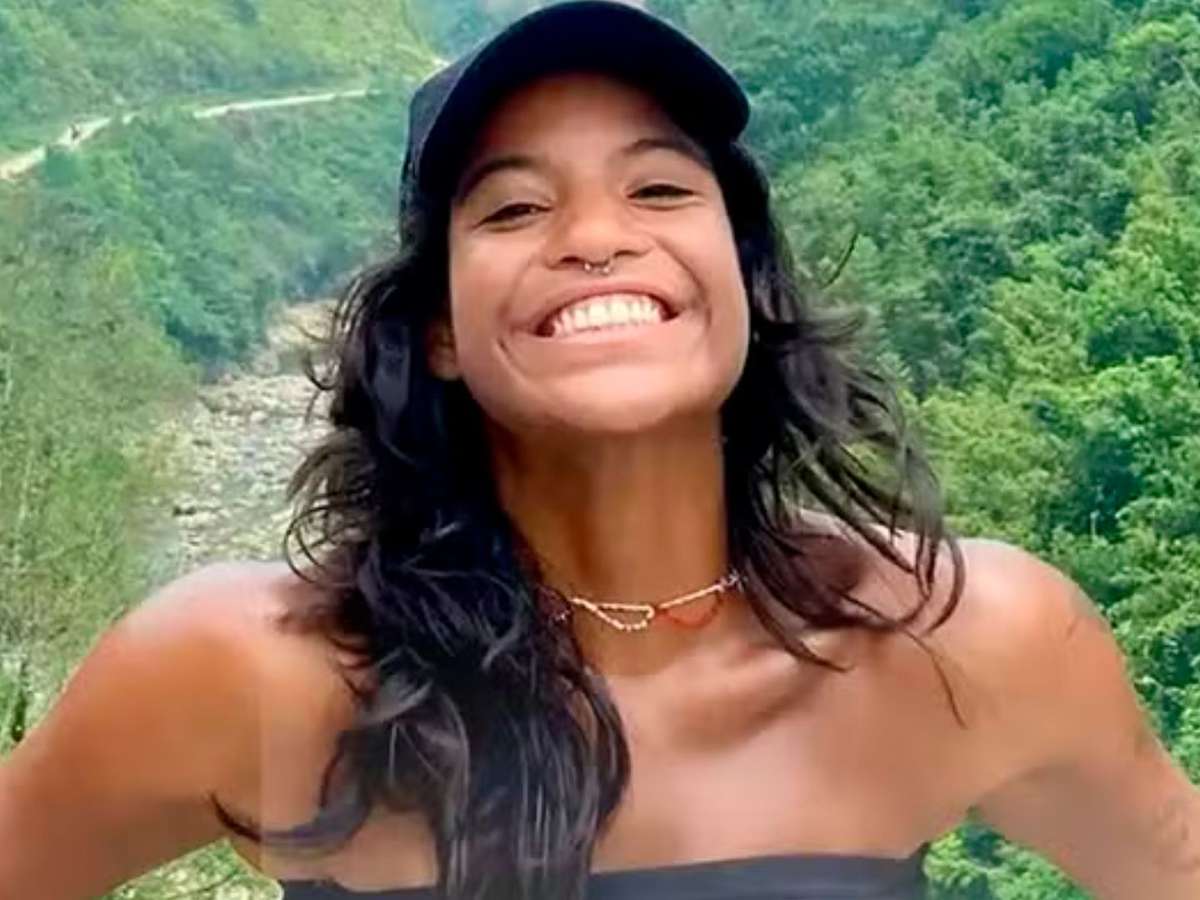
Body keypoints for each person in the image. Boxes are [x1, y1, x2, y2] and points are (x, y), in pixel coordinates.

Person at [1, 3, 1198, 898]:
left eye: (661, 190)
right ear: (440, 331)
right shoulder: (250, 676)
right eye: (515, 207)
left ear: (749, 283)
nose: (593, 238)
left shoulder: (964, 645)